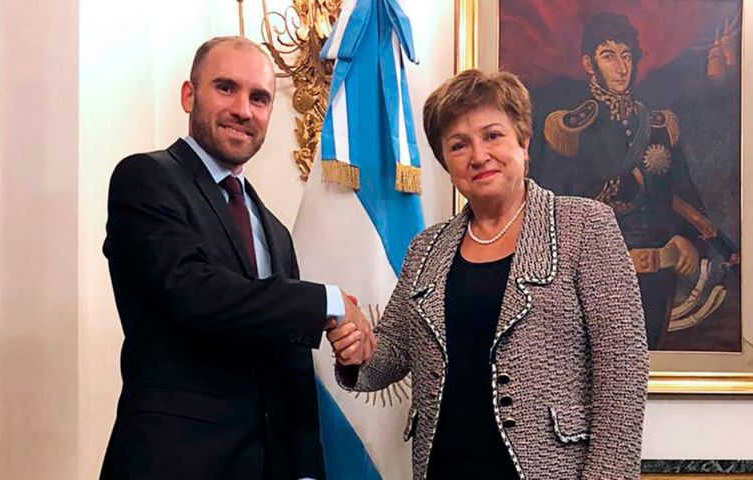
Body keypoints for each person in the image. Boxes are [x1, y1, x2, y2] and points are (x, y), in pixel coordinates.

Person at [327, 69, 649, 479]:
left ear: (523, 141)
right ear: (446, 162)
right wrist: (358, 348)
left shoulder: (585, 225)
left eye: (493, 135)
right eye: (459, 145)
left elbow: (623, 367)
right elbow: (392, 356)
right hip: (444, 466)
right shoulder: (426, 247)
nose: (478, 156)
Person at [100, 36, 374, 480]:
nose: (244, 110)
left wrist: (306, 469)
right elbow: (195, 294)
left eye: (259, 98)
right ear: (189, 95)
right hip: (173, 463)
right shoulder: (146, 178)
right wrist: (329, 302)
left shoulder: (276, 232)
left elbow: (291, 366)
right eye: (226, 88)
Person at [534, 12, 737, 349]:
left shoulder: (658, 126)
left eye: (626, 55)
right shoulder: (569, 129)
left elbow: (681, 195)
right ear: (589, 63)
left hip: (658, 277)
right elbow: (554, 208)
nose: (621, 67)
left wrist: (685, 239)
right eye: (608, 56)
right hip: (595, 278)